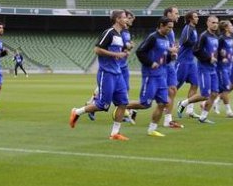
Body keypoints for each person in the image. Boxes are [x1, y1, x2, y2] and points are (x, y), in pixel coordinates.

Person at [69, 10, 131, 141]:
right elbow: (97, 49)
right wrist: (116, 55)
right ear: (117, 19)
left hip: (118, 73)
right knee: (102, 105)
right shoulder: (109, 32)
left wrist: (125, 52)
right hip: (106, 73)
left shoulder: (120, 35)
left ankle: (114, 133)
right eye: (125, 18)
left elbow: (118, 51)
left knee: (123, 103)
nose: (128, 20)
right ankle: (77, 112)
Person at [122, 16, 176, 137]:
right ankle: (121, 107)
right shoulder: (153, 37)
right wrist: (151, 63)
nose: (170, 30)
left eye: (172, 28)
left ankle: (152, 129)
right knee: (144, 104)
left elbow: (164, 58)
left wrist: (171, 56)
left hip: (161, 75)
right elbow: (140, 52)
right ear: (161, 25)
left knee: (163, 102)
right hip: (150, 75)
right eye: (169, 27)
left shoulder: (166, 39)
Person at [176, 15, 219, 124]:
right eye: (213, 22)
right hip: (204, 68)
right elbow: (196, 50)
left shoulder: (215, 37)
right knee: (205, 94)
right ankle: (183, 103)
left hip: (213, 69)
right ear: (208, 23)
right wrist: (209, 58)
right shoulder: (203, 36)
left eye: (216, 23)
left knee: (214, 93)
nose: (215, 25)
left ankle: (203, 117)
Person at [159, 6, 184, 129]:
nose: (178, 15)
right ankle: (130, 109)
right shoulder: (161, 30)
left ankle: (168, 120)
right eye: (176, 13)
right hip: (163, 64)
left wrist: (174, 50)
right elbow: (159, 45)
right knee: (149, 99)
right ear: (169, 14)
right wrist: (171, 50)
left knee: (173, 90)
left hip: (171, 63)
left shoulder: (172, 31)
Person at [175, 10, 201, 118]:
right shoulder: (187, 28)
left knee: (195, 84)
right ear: (190, 19)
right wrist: (196, 44)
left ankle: (190, 110)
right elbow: (184, 41)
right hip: (183, 62)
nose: (197, 18)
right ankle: (163, 105)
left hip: (191, 62)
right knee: (174, 87)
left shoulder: (194, 30)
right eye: (195, 16)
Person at [216, 19, 233, 118]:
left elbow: (228, 50)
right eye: (230, 26)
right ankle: (229, 111)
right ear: (226, 28)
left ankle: (206, 103)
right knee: (226, 88)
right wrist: (222, 57)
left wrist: (231, 57)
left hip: (228, 67)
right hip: (221, 67)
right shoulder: (221, 38)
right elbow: (215, 51)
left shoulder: (230, 38)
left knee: (220, 90)